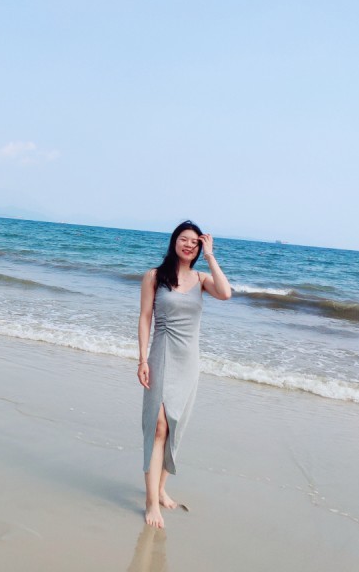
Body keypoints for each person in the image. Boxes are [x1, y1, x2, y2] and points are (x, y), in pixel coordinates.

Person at [137, 221, 231, 528]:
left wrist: (211, 257)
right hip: (162, 354)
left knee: (175, 427)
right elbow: (145, 317)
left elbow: (226, 293)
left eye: (195, 241)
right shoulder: (154, 276)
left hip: (189, 361)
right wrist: (142, 359)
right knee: (158, 427)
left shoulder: (202, 279)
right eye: (184, 239)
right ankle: (151, 502)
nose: (189, 245)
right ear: (174, 241)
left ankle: (161, 488)